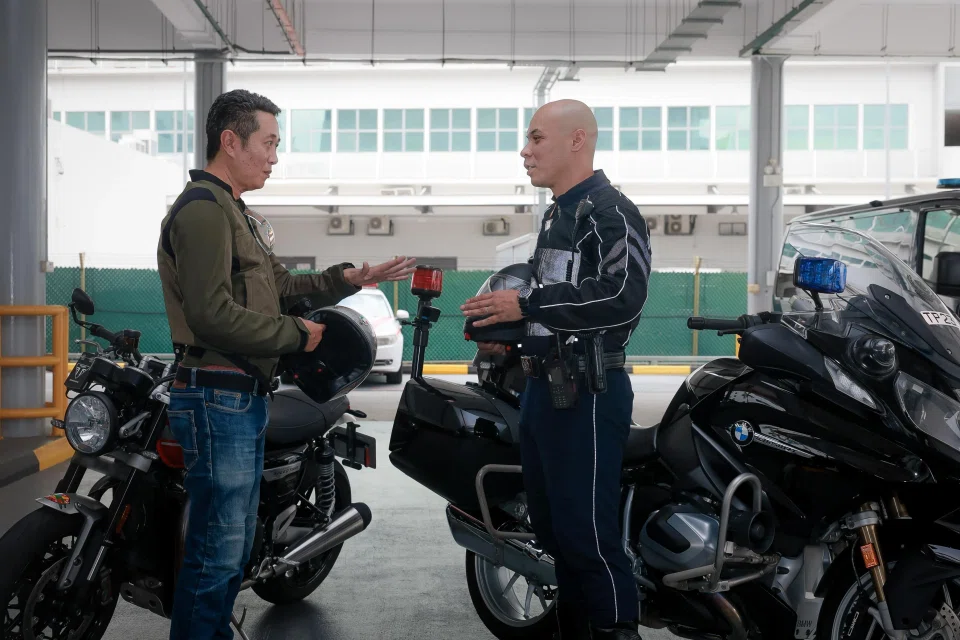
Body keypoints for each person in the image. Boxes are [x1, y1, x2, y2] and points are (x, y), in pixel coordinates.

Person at [156, 88, 415, 640]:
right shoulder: (204, 211)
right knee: (216, 551)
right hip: (217, 392)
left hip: (239, 395)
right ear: (231, 141)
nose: (275, 157)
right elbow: (210, 316)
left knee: (229, 549)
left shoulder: (236, 213)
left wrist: (351, 277)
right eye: (268, 143)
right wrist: (297, 334)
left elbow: (279, 285)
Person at [461, 99, 652, 640]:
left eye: (536, 138)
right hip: (545, 390)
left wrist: (527, 307)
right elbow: (553, 308)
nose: (525, 151)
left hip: (589, 391)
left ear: (577, 141)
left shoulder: (611, 213)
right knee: (555, 532)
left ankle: (620, 630)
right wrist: (508, 334)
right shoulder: (558, 214)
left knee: (588, 535)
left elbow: (623, 294)